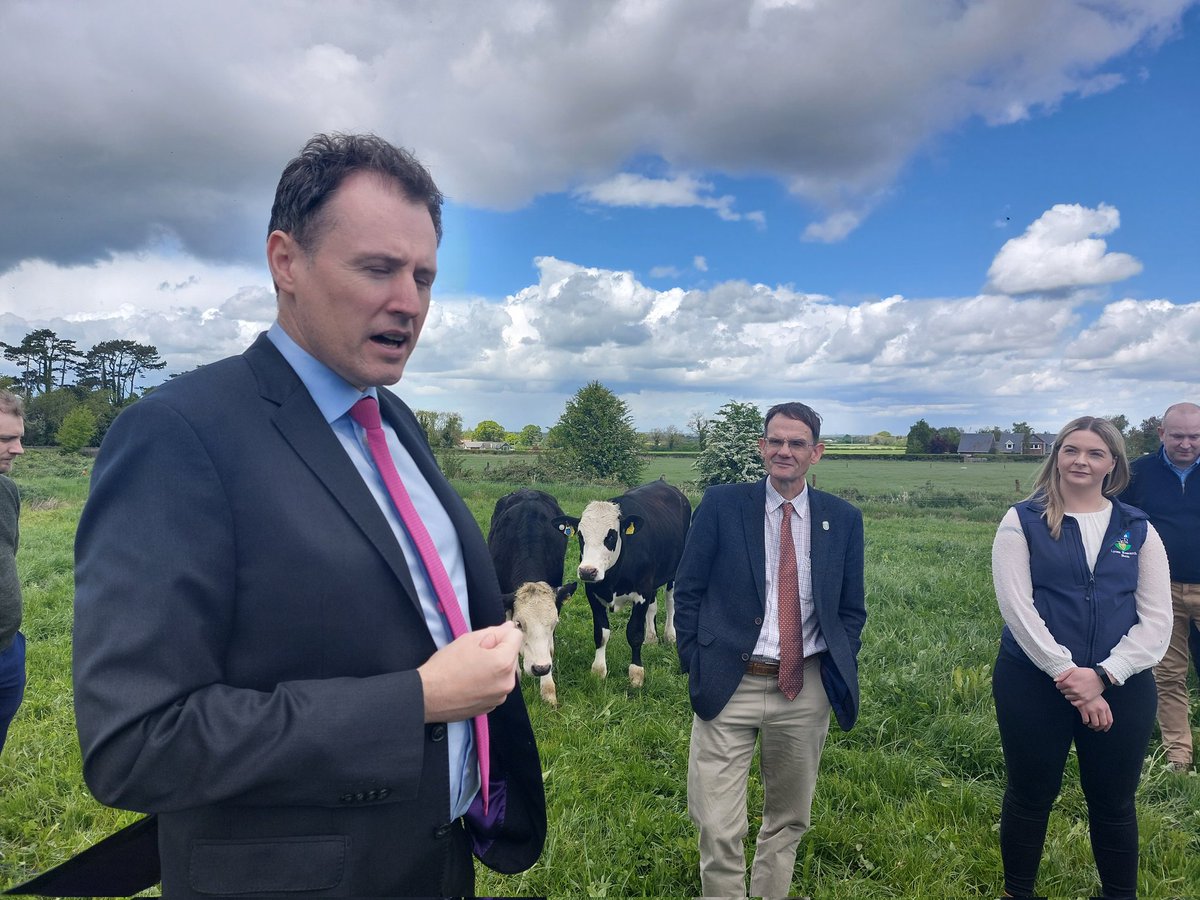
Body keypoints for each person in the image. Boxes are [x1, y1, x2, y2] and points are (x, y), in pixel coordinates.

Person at [72, 133, 545, 898]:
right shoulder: (179, 434)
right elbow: (137, 742)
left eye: (423, 276)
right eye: (377, 268)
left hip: (438, 866)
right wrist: (416, 700)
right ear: (285, 262)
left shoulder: (393, 422)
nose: (409, 302)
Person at [675, 401, 866, 898]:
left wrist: (837, 665)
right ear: (762, 447)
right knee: (716, 822)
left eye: (796, 443)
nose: (784, 451)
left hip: (803, 688)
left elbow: (851, 609)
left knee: (788, 819)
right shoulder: (721, 504)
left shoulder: (842, 520)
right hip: (727, 681)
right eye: (775, 441)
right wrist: (694, 660)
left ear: (816, 453)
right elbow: (688, 589)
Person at [992, 416, 1171, 899]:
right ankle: (1018, 892)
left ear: (1113, 464)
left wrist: (1106, 676)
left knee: (1114, 802)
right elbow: (1017, 607)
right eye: (1071, 450)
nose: (1080, 461)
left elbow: (1157, 621)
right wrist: (1068, 673)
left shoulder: (1137, 528)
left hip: (1123, 686)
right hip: (1032, 680)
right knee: (1031, 794)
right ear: (1056, 456)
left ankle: (1118, 895)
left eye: (1095, 453)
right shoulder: (1022, 520)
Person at [1119, 401, 1200, 772]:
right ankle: (1178, 757)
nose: (1187, 444)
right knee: (1168, 673)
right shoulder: (1137, 474)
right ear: (1162, 434)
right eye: (1179, 436)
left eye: (1195, 436)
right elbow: (1115, 520)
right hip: (1160, 588)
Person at [0, 389, 25, 756]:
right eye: (6, 439)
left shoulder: (5, 490)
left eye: (19, 438)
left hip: (6, 649)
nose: (18, 449)